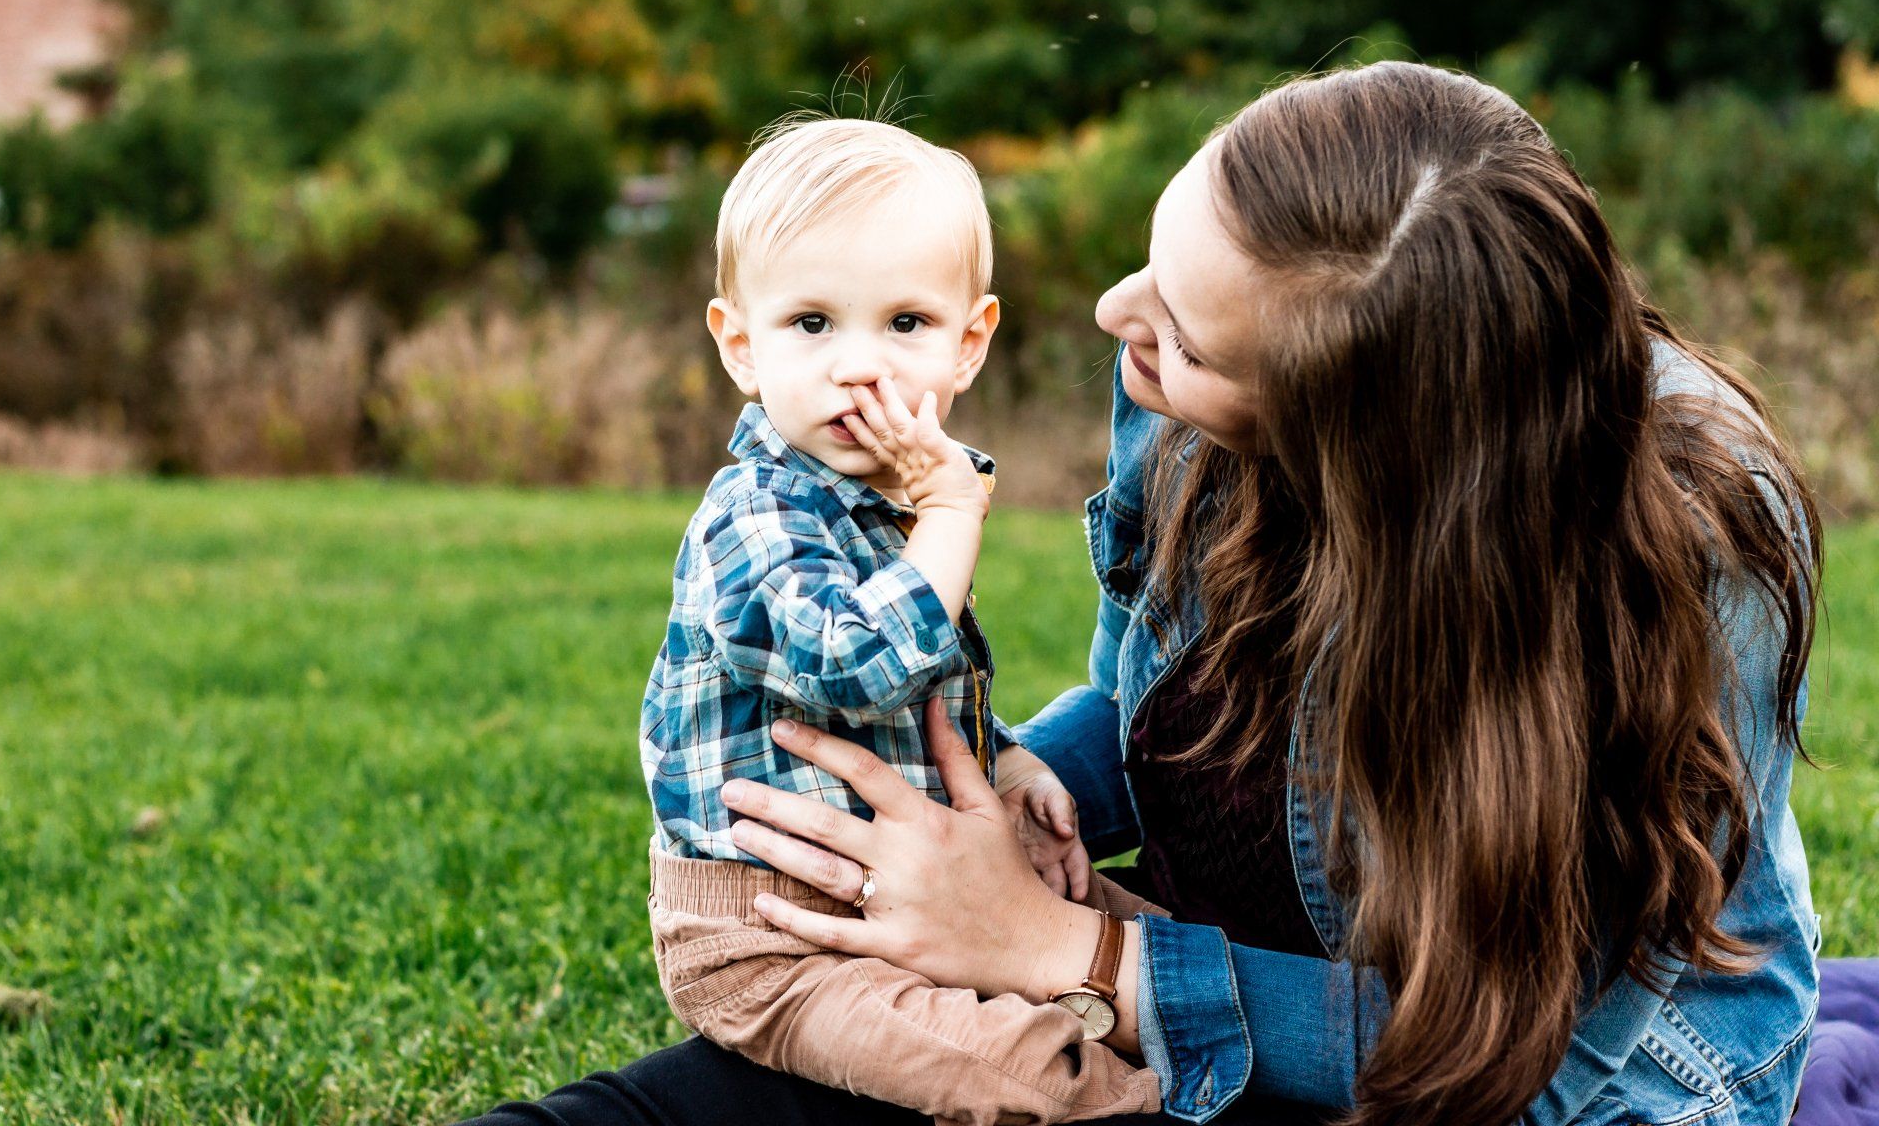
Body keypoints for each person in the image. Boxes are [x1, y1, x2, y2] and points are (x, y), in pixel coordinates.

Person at [461, 63, 1821, 1126]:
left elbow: (1509, 1058)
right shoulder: (1185, 373)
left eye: (1180, 332)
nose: (1119, 318)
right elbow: (1148, 705)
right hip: (1200, 950)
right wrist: (1010, 793)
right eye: (1157, 263)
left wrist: (1067, 957)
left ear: (1355, 439)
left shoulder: (1687, 556)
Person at [637, 115, 1163, 1125]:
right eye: (812, 324)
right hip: (778, 941)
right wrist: (955, 511)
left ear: (970, 344)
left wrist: (1005, 761)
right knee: (1015, 1071)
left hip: (898, 890)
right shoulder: (751, 516)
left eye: (907, 324)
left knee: (1158, 942)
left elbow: (916, 704)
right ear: (740, 343)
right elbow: (858, 665)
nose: (860, 366)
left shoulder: (889, 507)